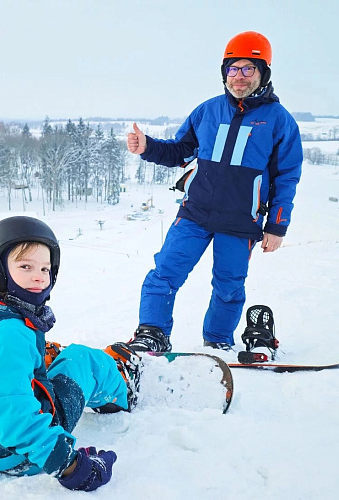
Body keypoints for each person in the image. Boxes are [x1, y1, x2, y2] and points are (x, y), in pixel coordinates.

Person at [0, 216, 141, 492]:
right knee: (83, 359)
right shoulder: (10, 335)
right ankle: (120, 387)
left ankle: (47, 360)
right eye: (25, 266)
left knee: (31, 360)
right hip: (18, 455)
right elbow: (18, 422)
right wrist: (74, 469)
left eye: (45, 268)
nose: (39, 276)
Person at [124, 31, 303, 352]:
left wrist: (277, 225)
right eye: (233, 69)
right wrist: (147, 147)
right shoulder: (207, 111)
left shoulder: (279, 121)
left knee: (229, 288)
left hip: (240, 222)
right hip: (195, 214)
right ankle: (152, 334)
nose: (239, 76)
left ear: (263, 73)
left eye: (248, 68)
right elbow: (180, 152)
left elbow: (286, 177)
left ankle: (218, 341)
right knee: (163, 276)